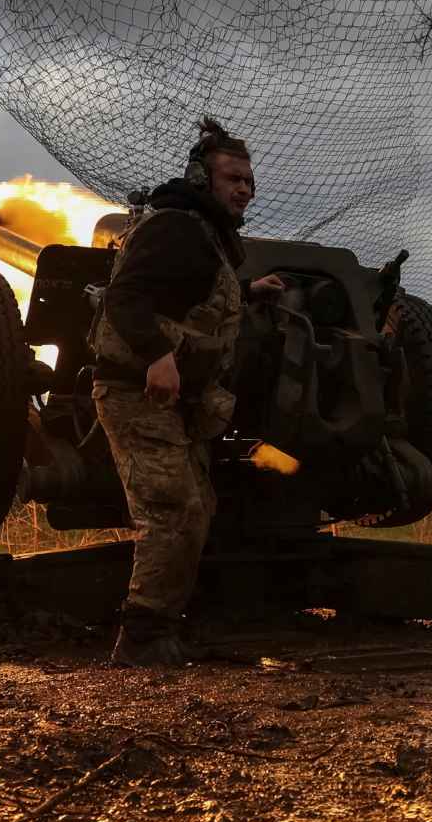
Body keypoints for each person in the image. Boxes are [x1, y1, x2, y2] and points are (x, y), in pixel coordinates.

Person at [89, 117, 285, 666]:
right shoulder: (174, 227)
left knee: (196, 506)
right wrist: (157, 357)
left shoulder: (206, 236)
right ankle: (142, 639)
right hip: (135, 391)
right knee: (172, 508)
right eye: (233, 178)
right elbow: (123, 299)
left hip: (174, 404)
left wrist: (248, 292)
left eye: (249, 180)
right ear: (203, 179)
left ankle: (164, 627)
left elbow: (191, 300)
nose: (244, 189)